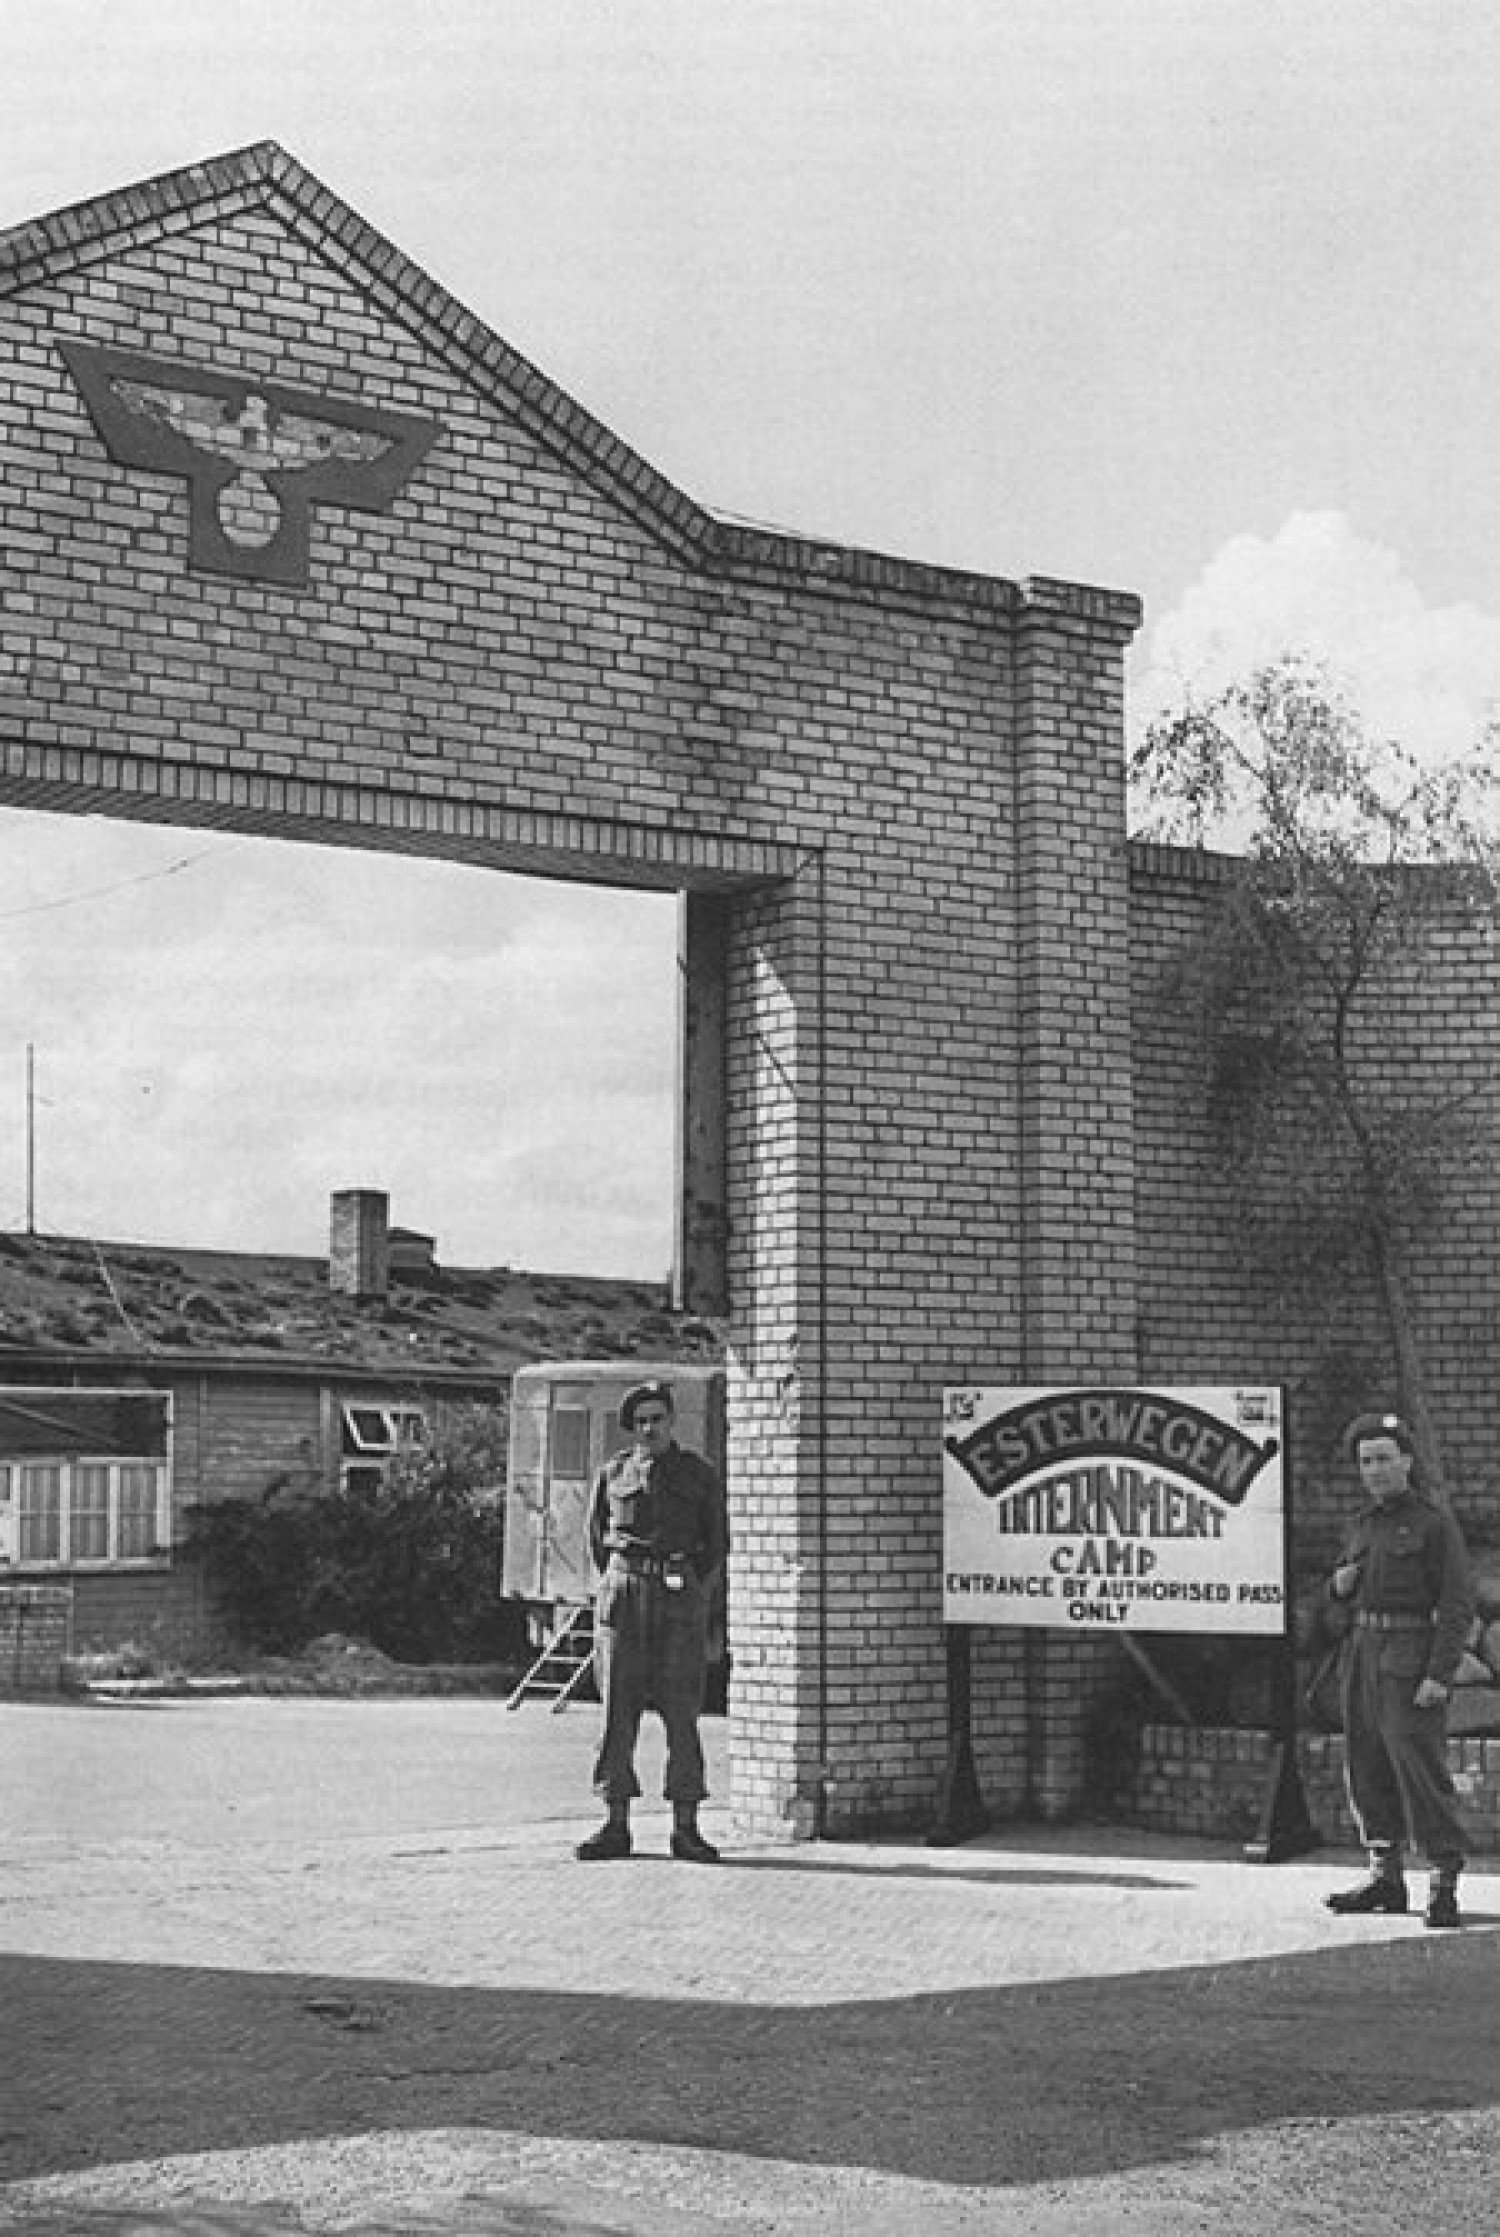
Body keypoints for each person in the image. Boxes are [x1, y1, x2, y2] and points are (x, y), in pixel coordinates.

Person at [1324, 1410, 1474, 1929]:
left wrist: (1440, 1674)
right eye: (1366, 1462)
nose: (1375, 1470)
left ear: (1407, 1461)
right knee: (1366, 1767)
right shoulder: (1360, 1526)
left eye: (1384, 1459)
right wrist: (1337, 1587)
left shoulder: (1434, 1525)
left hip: (1410, 1658)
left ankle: (1443, 1881)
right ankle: (1385, 1877)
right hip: (1363, 1653)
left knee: (1419, 1771)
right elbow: (1338, 1602)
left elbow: (1457, 1605)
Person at [576, 1378, 727, 1863]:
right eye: (640, 1422)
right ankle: (615, 1823)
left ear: (671, 1420)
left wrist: (689, 1589)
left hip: (678, 1597)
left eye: (657, 1418)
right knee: (617, 1711)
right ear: (631, 1428)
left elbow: (715, 1542)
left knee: (682, 1714)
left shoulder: (698, 1474)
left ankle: (686, 1827)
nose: (649, 1428)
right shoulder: (613, 1473)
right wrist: (623, 1580)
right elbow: (597, 1539)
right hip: (624, 1596)